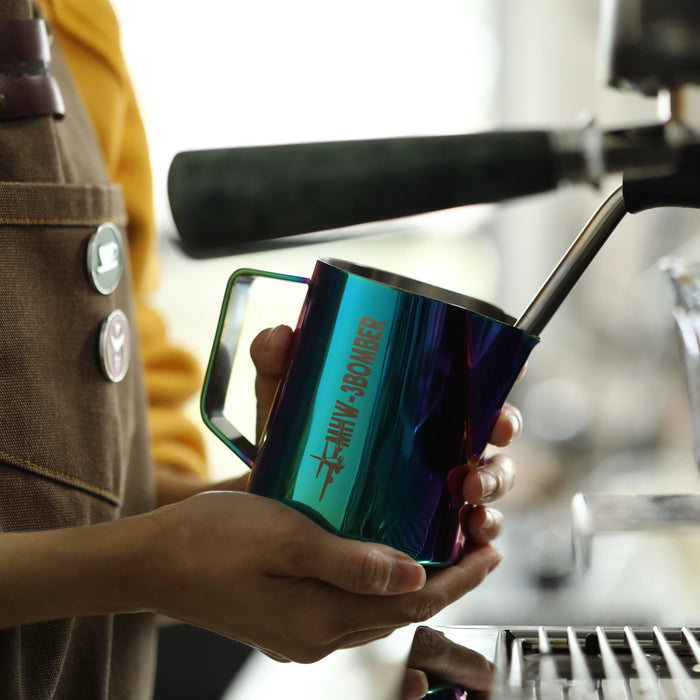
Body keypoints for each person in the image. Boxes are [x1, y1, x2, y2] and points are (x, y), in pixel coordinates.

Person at [0, 0, 523, 697]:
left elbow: (88, 484)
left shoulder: (80, 27)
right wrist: (157, 563)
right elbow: (120, 545)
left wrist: (284, 512)